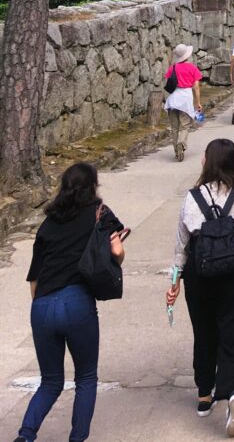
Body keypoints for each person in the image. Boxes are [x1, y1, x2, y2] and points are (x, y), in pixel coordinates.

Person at [17, 163, 126, 442]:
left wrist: (42, 310)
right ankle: (77, 438)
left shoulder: (48, 223)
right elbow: (117, 250)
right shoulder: (99, 214)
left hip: (41, 306)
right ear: (93, 187)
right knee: (86, 378)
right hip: (77, 302)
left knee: (50, 382)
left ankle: (25, 435)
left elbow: (34, 278)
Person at [166, 139, 234, 439]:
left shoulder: (192, 197)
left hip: (200, 273)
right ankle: (233, 394)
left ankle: (203, 395)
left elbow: (181, 245)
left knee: (204, 331)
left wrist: (174, 280)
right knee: (230, 335)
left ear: (208, 163)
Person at [165, 44, 203, 162]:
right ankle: (181, 143)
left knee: (174, 127)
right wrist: (198, 102)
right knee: (184, 125)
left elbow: (169, 81)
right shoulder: (192, 68)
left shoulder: (173, 68)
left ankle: (177, 152)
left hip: (173, 100)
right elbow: (196, 87)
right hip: (185, 99)